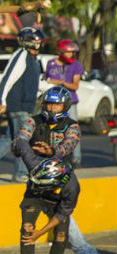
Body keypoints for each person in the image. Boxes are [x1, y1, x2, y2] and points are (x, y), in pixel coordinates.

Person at [16, 86, 104, 254]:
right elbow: (21, 139)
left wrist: (52, 152)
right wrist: (23, 148)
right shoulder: (34, 120)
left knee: (65, 228)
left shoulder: (71, 126)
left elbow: (69, 144)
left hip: (58, 181)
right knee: (63, 227)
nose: (52, 108)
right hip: (38, 180)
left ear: (64, 106)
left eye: (56, 104)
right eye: (49, 104)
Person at [0, 27, 45, 182]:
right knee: (23, 139)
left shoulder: (34, 60)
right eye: (34, 42)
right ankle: (20, 173)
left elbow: (35, 82)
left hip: (26, 105)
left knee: (9, 138)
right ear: (26, 43)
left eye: (39, 42)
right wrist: (0, 100)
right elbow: (8, 78)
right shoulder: (21, 55)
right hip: (18, 105)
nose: (38, 45)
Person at [11, 138, 79, 254]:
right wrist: (14, 149)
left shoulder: (71, 188)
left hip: (56, 203)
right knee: (27, 230)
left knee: (61, 236)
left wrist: (40, 233)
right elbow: (20, 142)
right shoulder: (34, 162)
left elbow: (61, 214)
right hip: (34, 196)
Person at [43, 39, 85, 167]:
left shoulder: (76, 65)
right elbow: (46, 79)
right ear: (61, 52)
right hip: (54, 102)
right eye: (68, 52)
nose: (71, 55)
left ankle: (76, 157)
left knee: (73, 129)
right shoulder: (51, 63)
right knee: (53, 129)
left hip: (70, 102)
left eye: (72, 52)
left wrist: (60, 82)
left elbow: (74, 85)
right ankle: (53, 155)